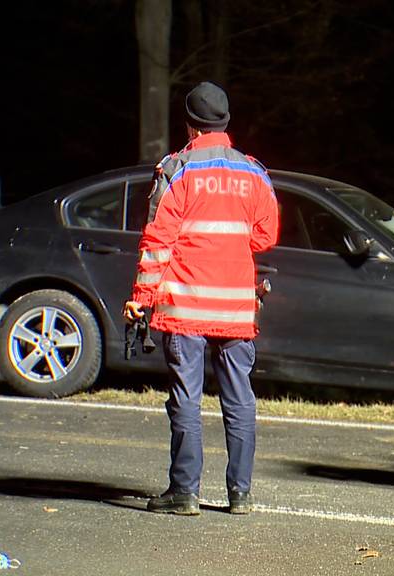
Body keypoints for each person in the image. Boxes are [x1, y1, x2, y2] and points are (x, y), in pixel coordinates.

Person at [124, 82, 279, 516]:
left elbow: (157, 242)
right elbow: (265, 236)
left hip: (185, 305)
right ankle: (240, 494)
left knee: (186, 398)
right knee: (240, 398)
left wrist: (141, 296)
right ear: (226, 123)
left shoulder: (177, 169)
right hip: (234, 307)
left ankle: (184, 492)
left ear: (190, 125)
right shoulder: (254, 172)